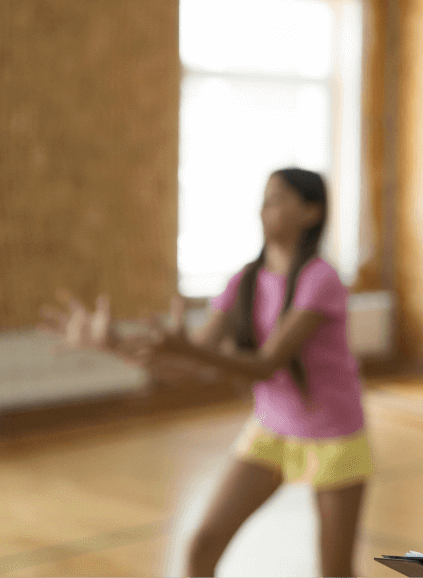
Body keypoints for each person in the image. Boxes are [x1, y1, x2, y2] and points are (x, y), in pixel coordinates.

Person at [42, 168, 370, 578]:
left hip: (332, 434)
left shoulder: (320, 279)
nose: (265, 206)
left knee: (335, 572)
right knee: (203, 545)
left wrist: (191, 351)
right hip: (272, 431)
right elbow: (183, 367)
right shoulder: (243, 281)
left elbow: (266, 363)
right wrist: (114, 344)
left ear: (312, 212)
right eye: (265, 196)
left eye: (279, 197)